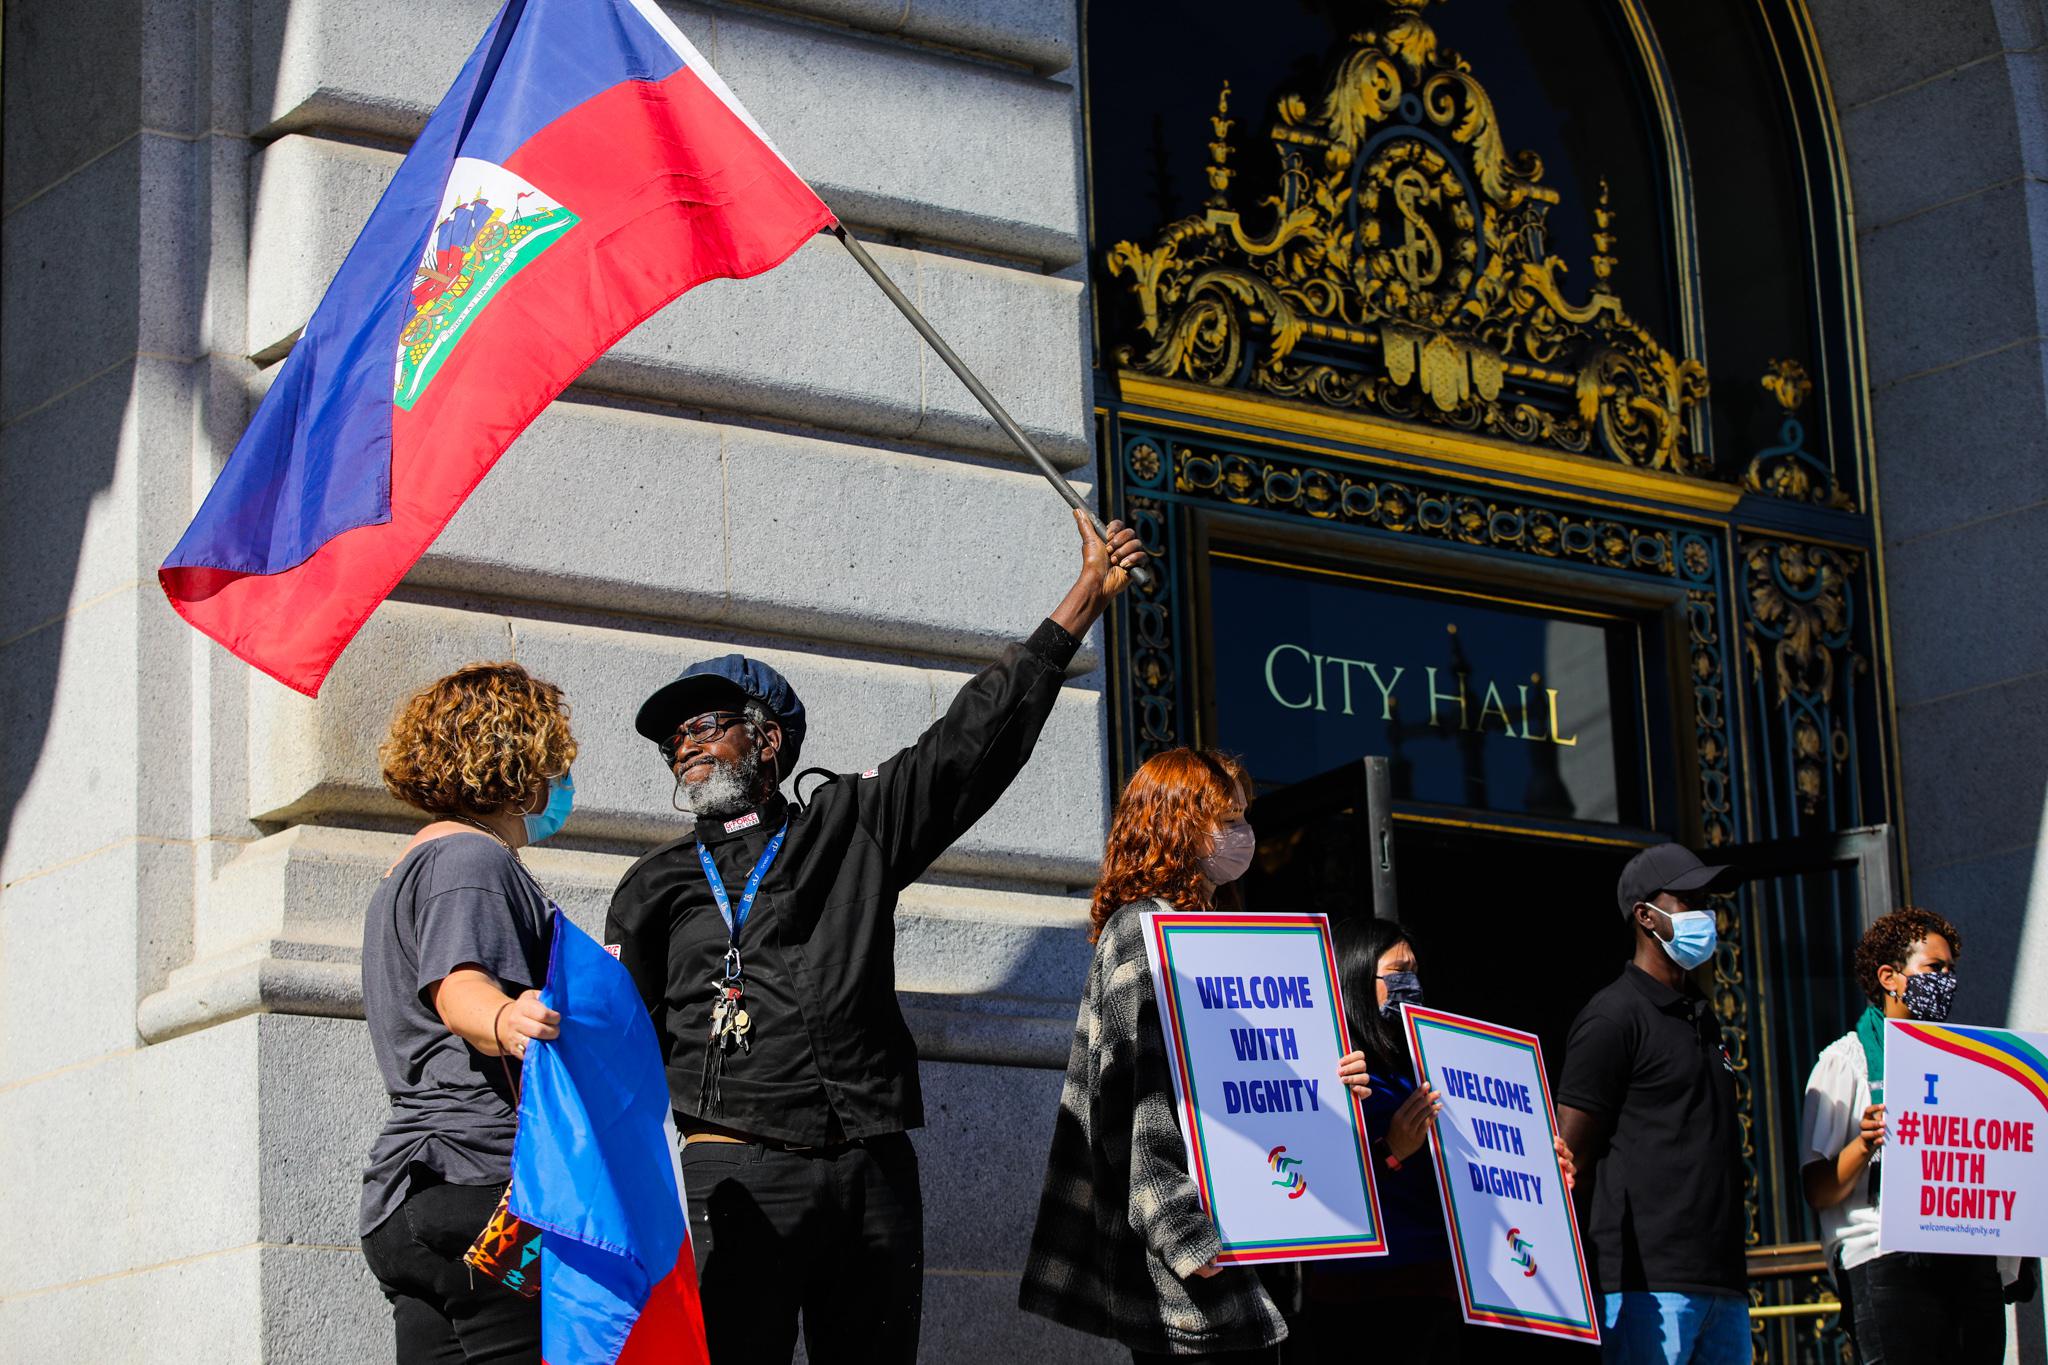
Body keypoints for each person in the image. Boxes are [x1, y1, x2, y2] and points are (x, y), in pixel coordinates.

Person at [605, 510, 1147, 1365]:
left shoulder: (851, 822)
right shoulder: (654, 884)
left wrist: (1082, 600)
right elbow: (611, 1045)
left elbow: (968, 745)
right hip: (737, 1172)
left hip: (871, 1168)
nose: (684, 747)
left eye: (705, 725)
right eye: (674, 738)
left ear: (769, 738)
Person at [1019, 747, 1297, 1364]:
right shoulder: (1146, 932)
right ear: (1177, 821)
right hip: (1198, 1274)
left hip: (1239, 1254)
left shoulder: (1211, 934)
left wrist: (1329, 1087)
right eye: (1228, 819)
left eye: (1243, 818)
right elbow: (1133, 1100)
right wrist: (1184, 1236)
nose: (1244, 836)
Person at [358, 661, 578, 1365]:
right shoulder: (472, 860)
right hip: (483, 1189)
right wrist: (506, 1017)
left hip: (410, 1206)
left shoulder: (411, 867)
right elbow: (458, 986)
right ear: (520, 758)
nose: (560, 780)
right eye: (554, 759)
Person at [1304, 920, 1577, 1364]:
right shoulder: (1332, 1068)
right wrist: (1389, 1152)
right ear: (1355, 976)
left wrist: (1543, 1174)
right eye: (1396, 971)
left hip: (1444, 1295)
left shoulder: (1429, 1069)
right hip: (1357, 1303)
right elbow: (1312, 1188)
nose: (1408, 984)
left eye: (1414, 972)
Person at [1556, 843, 1749, 1365]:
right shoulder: (1613, 1017)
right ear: (1646, 915)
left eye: (1706, 901)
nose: (1704, 915)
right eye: (1689, 901)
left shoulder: (1702, 1017)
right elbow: (1567, 1161)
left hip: (1723, 1283)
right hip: (1646, 1288)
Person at [1801, 905, 2008, 1362]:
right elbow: (1817, 1188)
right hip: (1886, 1262)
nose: (1946, 980)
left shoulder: (1973, 1063)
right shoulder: (1847, 1061)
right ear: (1890, 977)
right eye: (1934, 968)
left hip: (1968, 1263)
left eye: (1951, 970)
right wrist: (1863, 1142)